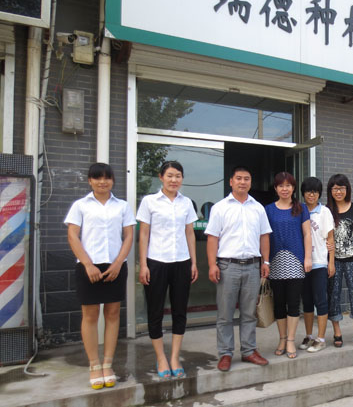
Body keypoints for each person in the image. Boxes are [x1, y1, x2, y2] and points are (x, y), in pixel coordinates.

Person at [65, 163, 136, 390]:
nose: (102, 182)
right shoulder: (80, 205)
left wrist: (118, 263)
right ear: (90, 181)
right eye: (97, 178)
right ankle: (94, 365)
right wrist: (88, 264)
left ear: (113, 180)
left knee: (113, 314)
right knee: (90, 315)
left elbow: (128, 236)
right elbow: (73, 235)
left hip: (115, 266)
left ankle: (108, 364)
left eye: (106, 178)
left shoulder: (122, 206)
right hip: (88, 266)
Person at [205, 165, 272, 372]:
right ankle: (225, 353)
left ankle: (249, 350)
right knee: (225, 314)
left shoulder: (258, 208)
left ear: (250, 182)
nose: (243, 182)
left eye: (246, 178)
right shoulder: (220, 208)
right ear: (231, 181)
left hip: (252, 266)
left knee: (249, 313)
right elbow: (212, 238)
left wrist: (266, 262)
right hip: (227, 266)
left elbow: (264, 236)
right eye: (239, 178)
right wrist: (212, 264)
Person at [137, 161, 198, 378]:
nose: (174, 180)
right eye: (170, 175)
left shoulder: (186, 203)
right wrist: (143, 264)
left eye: (178, 176)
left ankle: (174, 357)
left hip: (181, 262)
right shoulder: (149, 202)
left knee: (180, 311)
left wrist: (193, 262)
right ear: (161, 177)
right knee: (155, 311)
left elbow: (189, 233)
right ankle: (161, 357)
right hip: (156, 262)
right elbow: (144, 234)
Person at [265, 172, 312, 359]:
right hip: (275, 260)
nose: (285, 189)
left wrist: (307, 258)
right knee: (279, 303)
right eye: (281, 185)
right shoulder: (268, 209)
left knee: (293, 302)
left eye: (288, 185)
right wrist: (264, 261)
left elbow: (307, 234)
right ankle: (282, 338)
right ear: (276, 188)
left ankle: (291, 339)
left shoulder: (301, 208)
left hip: (296, 260)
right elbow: (264, 236)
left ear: (293, 188)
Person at [325, 174, 353, 347]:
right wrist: (330, 260)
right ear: (330, 191)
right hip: (333, 260)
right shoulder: (327, 210)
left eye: (341, 188)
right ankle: (337, 331)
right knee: (333, 294)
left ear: (347, 189)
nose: (338, 192)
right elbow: (326, 236)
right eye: (335, 188)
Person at [298, 177, 334, 353]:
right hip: (302, 263)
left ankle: (321, 339)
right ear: (303, 193)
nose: (311, 195)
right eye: (308, 191)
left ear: (319, 194)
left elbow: (330, 238)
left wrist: (331, 262)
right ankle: (309, 336)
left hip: (319, 262)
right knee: (307, 302)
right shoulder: (299, 210)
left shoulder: (324, 212)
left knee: (321, 301)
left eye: (315, 192)